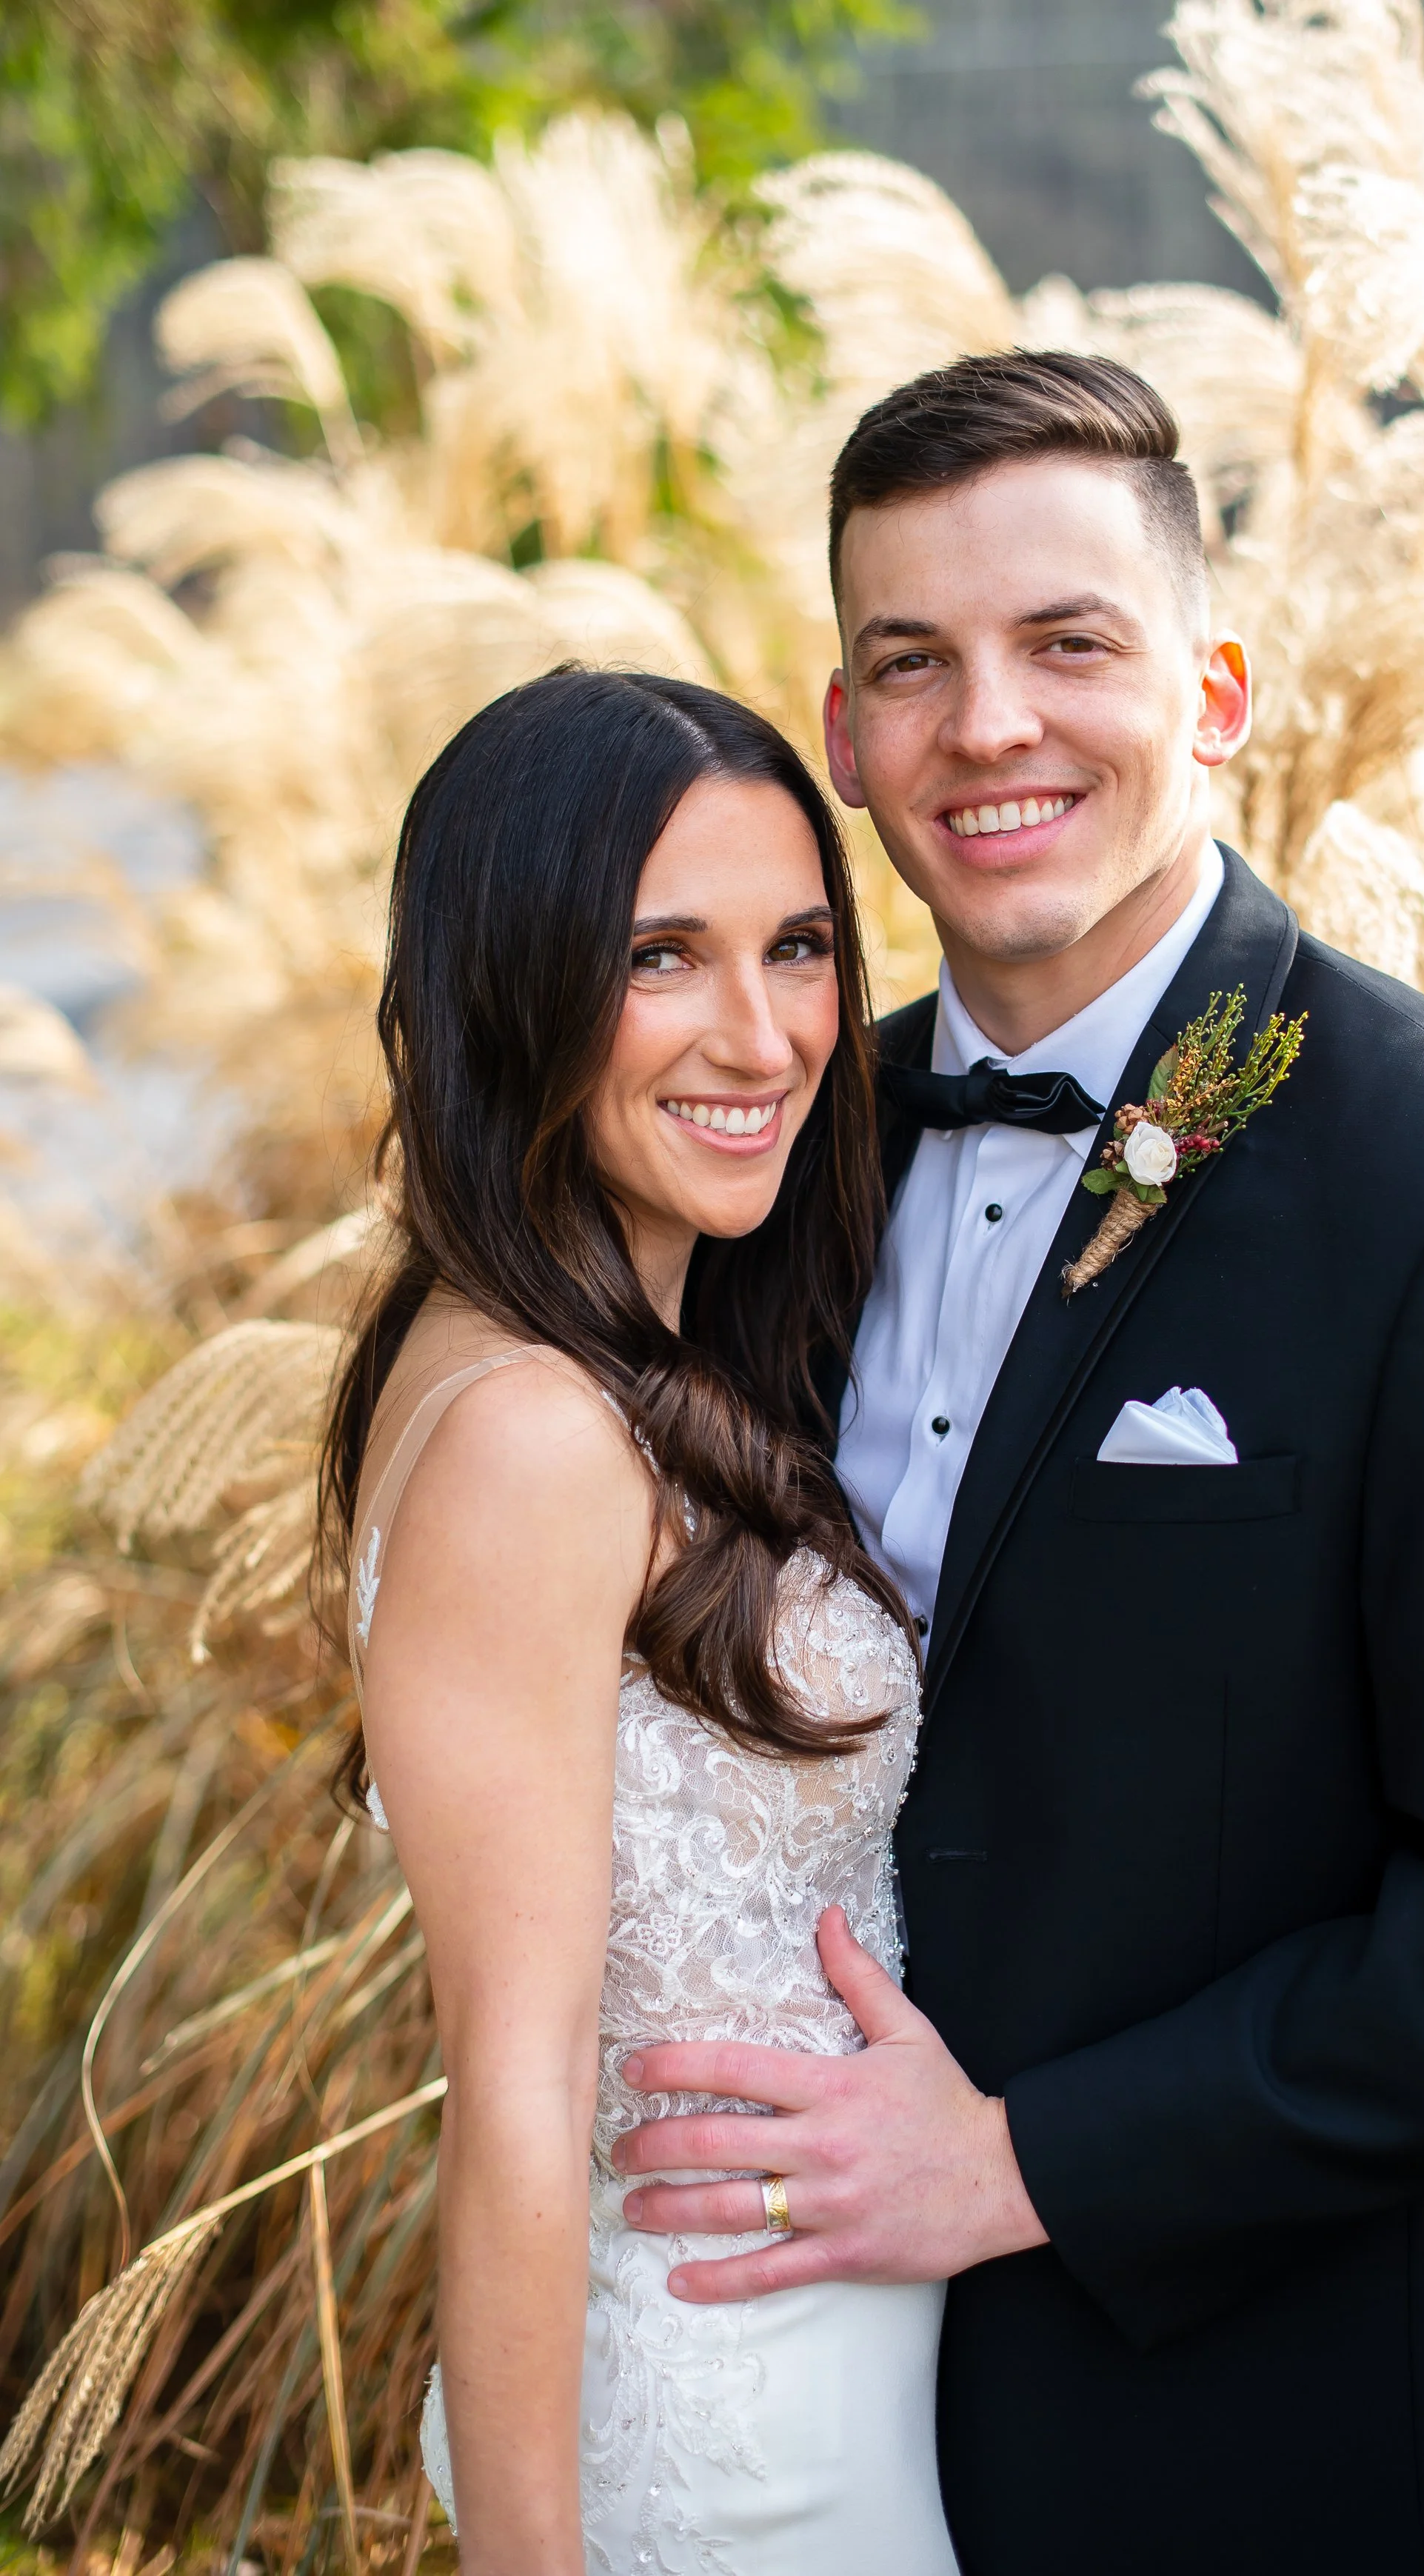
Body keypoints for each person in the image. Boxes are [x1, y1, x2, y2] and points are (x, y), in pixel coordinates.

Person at [609, 353, 1424, 2573]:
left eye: (1069, 642)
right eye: (910, 663)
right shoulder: (775, 1160)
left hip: (1262, 2434)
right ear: (842, 737)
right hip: (795, 2403)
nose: (987, 725)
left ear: (1212, 685)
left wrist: (1025, 2162)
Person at [320, 668, 960, 2576]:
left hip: (815, 2370)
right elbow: (513, 2085)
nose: (760, 1035)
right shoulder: (536, 1430)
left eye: (802, 947)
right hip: (717, 2425)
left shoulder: (608, 1355)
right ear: (510, 981)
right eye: (662, 958)